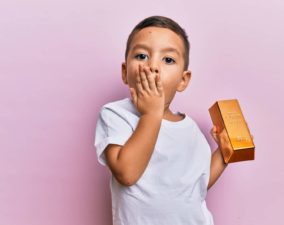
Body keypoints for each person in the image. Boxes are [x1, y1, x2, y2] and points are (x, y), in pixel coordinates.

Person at [94, 15, 229, 225]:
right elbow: (126, 173)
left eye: (168, 59)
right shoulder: (116, 114)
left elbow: (193, 186)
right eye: (141, 56)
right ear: (124, 72)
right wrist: (151, 114)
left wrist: (222, 155)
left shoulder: (190, 128)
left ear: (182, 80)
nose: (153, 66)